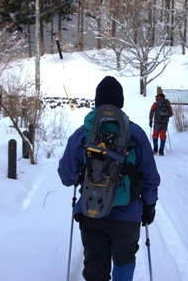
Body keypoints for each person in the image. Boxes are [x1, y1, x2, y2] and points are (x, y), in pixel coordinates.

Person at [58, 76, 160, 281]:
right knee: (124, 260)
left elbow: (66, 176)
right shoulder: (136, 134)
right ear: (120, 102)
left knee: (95, 267)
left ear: (97, 102)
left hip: (91, 211)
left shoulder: (82, 134)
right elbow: (150, 177)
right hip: (128, 216)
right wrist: (149, 206)